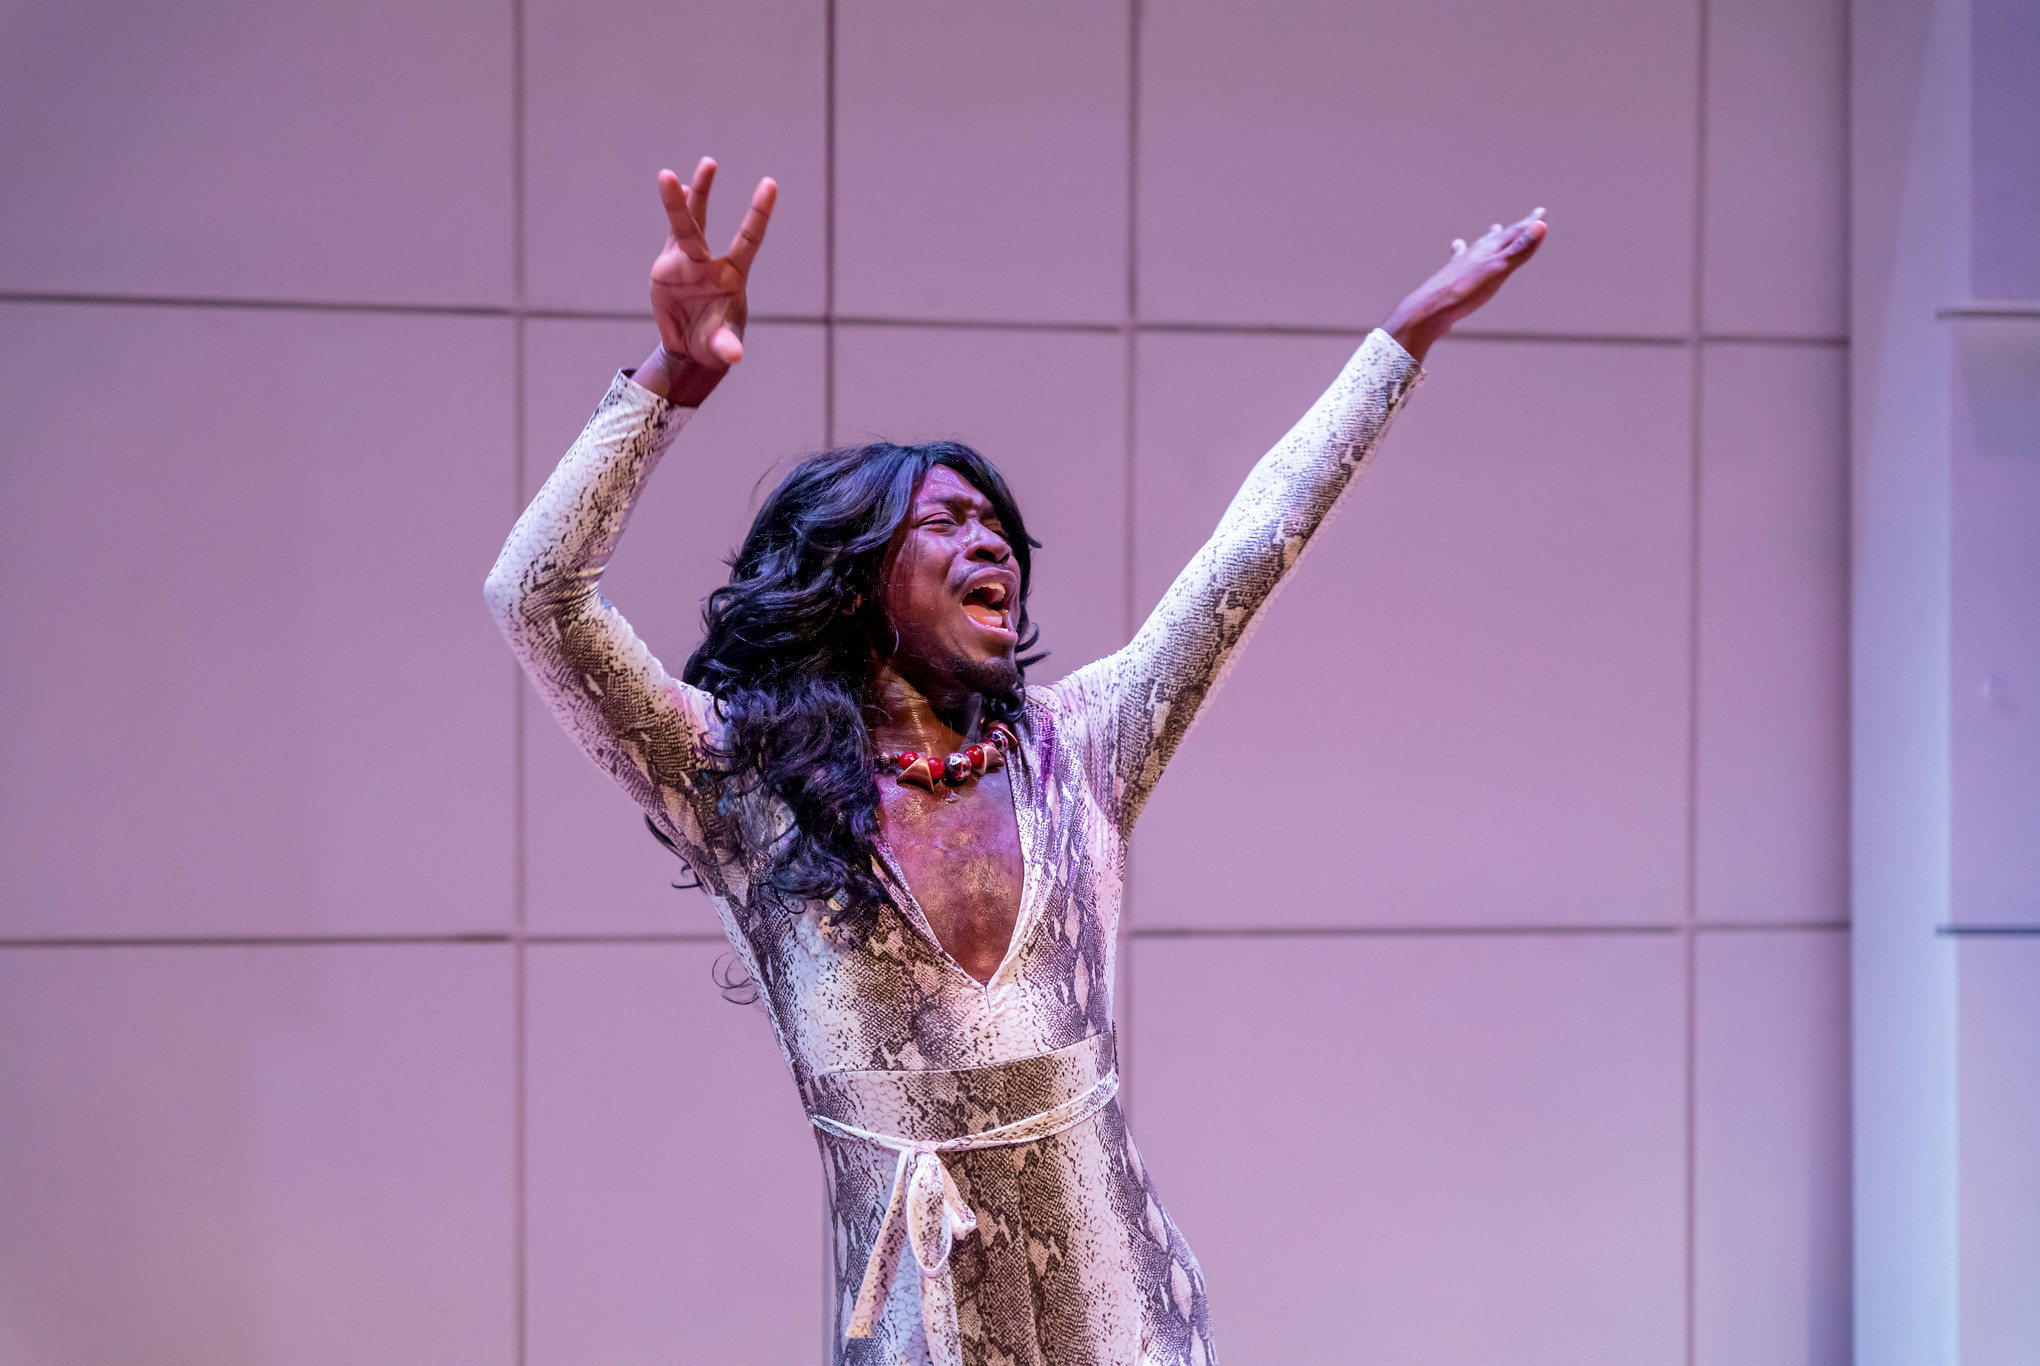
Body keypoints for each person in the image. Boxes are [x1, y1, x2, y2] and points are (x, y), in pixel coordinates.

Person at [487, 155, 1545, 1366]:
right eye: (944, 522)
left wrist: (1403, 337)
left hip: (1131, 1329)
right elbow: (534, 597)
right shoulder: (743, 783)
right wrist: (672, 375)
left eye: (995, 524)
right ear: (852, 581)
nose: (989, 539)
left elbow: (1251, 545)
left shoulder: (1074, 746)